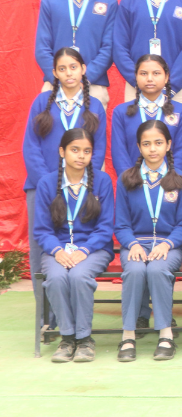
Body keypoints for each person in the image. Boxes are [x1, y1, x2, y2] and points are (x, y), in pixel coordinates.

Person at [24, 47, 106, 330]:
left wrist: (80, 181)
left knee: (76, 239)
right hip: (41, 187)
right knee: (42, 249)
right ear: (54, 73)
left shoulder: (95, 105)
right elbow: (31, 146)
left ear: (83, 69)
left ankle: (72, 319)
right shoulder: (41, 102)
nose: (68, 73)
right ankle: (47, 318)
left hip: (81, 187)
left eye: (73, 67)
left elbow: (98, 149)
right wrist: (49, 184)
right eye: (62, 68)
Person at [34, 129, 114, 363]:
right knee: (57, 278)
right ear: (62, 151)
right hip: (57, 250)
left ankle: (85, 339)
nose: (81, 156)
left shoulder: (102, 181)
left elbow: (105, 227)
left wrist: (84, 250)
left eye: (87, 151)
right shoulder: (47, 183)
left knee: (79, 276)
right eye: (75, 150)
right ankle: (67, 338)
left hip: (93, 249)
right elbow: (42, 230)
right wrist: (58, 251)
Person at [114, 120, 182, 362]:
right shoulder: (127, 179)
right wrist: (133, 244)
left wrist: (167, 244)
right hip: (135, 243)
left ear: (168, 145)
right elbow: (121, 225)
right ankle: (128, 335)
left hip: (169, 244)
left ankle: (166, 335)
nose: (153, 149)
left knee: (157, 270)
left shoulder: (181, 179)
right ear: (139, 147)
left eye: (158, 143)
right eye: (146, 144)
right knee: (135, 271)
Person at [35, 0, 117, 109]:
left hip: (93, 86)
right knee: (52, 127)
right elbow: (42, 48)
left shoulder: (109, 2)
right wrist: (60, 78)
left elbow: (109, 49)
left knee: (91, 128)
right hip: (55, 85)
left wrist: (85, 79)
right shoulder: (50, 2)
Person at [111, 54, 182, 176]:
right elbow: (119, 153)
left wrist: (170, 179)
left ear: (166, 77)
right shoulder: (121, 112)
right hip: (133, 182)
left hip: (170, 182)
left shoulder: (181, 111)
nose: (149, 78)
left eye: (156, 73)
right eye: (143, 73)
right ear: (136, 77)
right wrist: (131, 180)